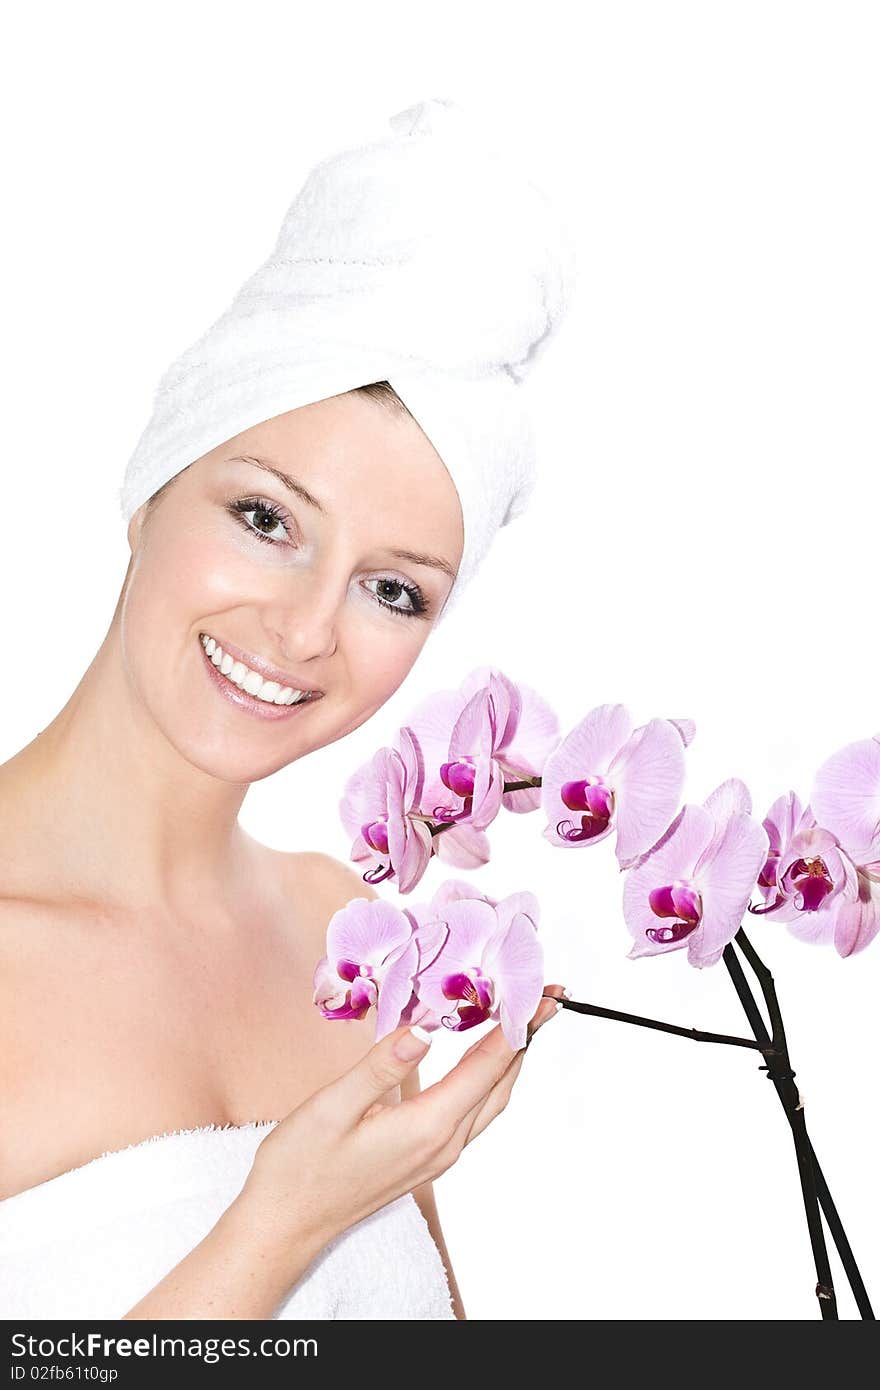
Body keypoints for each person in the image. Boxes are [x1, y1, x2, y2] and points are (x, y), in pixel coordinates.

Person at [0, 98, 575, 1320]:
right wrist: (281, 1223)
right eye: (266, 519)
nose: (309, 630)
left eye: (391, 589)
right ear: (152, 485)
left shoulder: (347, 936)